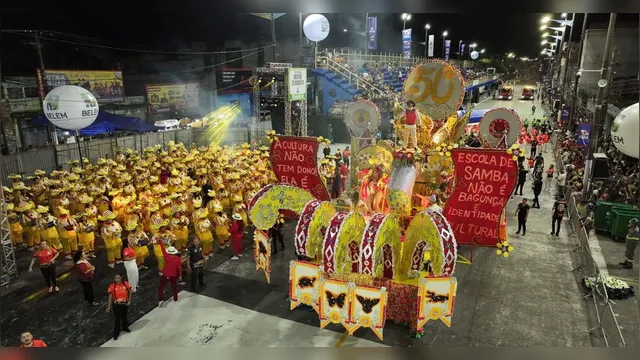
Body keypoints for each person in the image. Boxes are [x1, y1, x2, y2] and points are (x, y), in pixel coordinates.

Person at [106, 273, 132, 340]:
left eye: (118, 278)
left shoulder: (126, 284)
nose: (117, 279)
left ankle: (125, 328)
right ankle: (116, 333)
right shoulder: (112, 286)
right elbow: (110, 297)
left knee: (124, 316)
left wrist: (129, 300)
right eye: (115, 278)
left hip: (124, 304)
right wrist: (108, 306)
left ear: (121, 278)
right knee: (117, 319)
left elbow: (130, 291)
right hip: (116, 305)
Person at [157, 239, 182, 305]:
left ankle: (160, 300)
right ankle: (175, 298)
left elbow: (162, 249)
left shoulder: (166, 257)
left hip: (165, 275)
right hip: (173, 276)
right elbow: (179, 268)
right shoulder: (178, 259)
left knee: (161, 288)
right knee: (174, 287)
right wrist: (180, 276)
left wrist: (160, 242)